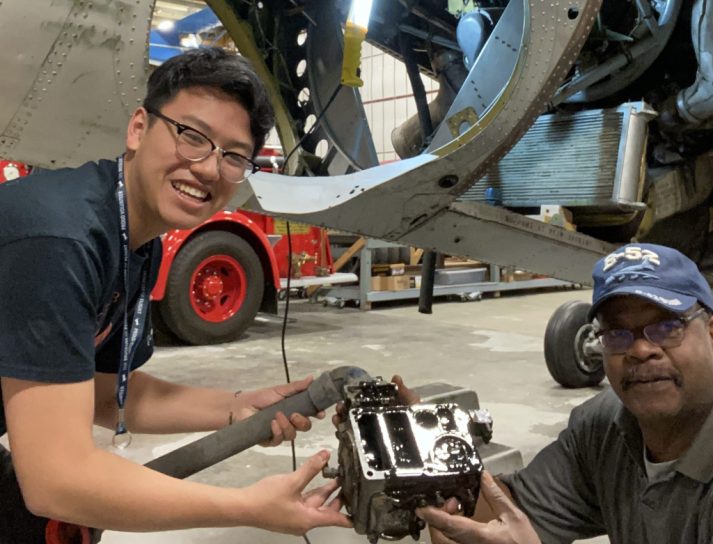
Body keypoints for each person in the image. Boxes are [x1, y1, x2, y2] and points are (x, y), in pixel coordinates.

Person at [0, 47, 351, 542]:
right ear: (138, 129)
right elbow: (56, 479)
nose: (209, 168)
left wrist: (237, 406)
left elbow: (100, 390)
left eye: (233, 156)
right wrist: (247, 506)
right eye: (192, 137)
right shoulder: (60, 240)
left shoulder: (134, 239)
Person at [416, 242, 713, 544]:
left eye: (666, 327)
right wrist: (429, 463)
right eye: (616, 334)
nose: (640, 349)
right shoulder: (604, 426)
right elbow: (509, 512)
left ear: (711, 330)